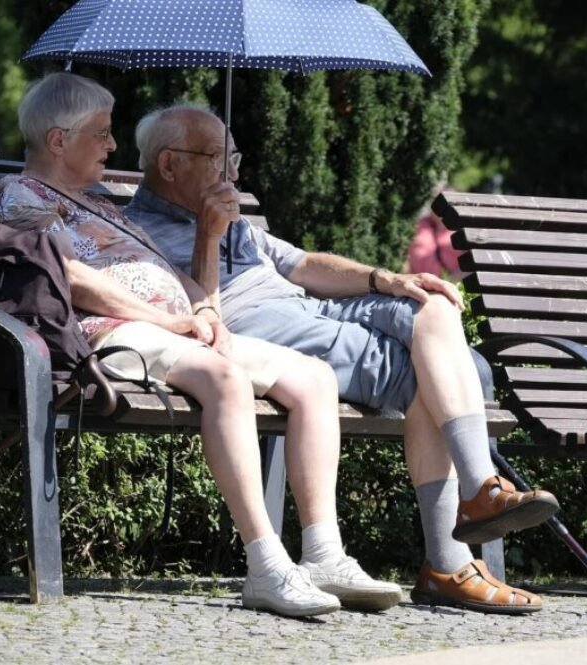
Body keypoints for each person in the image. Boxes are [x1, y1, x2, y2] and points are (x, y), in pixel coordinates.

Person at [0, 73, 402, 618]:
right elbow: (70, 276)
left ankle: (324, 553)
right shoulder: (19, 195)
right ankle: (266, 565)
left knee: (314, 377)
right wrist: (166, 320)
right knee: (225, 379)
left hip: (170, 331)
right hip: (106, 334)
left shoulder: (106, 205)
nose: (112, 146)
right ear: (59, 141)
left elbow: (169, 273)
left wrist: (204, 309)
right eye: (102, 133)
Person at [125, 104, 560, 615]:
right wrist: (208, 236)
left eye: (234, 157)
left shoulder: (235, 220)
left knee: (433, 305)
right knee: (450, 373)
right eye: (219, 159)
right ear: (169, 164)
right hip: (256, 329)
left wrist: (385, 279)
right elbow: (208, 320)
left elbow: (303, 264)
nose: (234, 173)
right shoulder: (137, 234)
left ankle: (478, 490)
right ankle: (450, 560)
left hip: (311, 307)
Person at [405, 184, 464, 280]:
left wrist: (450, 281)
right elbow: (405, 254)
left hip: (449, 284)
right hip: (416, 283)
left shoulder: (461, 230)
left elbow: (470, 265)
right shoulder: (420, 224)